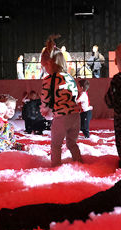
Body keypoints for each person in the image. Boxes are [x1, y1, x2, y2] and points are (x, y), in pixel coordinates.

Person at [40, 35, 82, 167]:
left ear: (49, 63)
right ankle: (79, 162)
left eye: (44, 66)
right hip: (75, 116)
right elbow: (74, 94)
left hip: (61, 117)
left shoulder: (48, 79)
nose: (45, 69)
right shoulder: (69, 77)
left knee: (56, 145)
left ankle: (55, 167)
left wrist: (45, 110)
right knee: (71, 143)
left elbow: (45, 98)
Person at [0, 94, 30, 160]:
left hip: (5, 153)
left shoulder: (9, 126)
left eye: (13, 108)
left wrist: (21, 147)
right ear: (0, 107)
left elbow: (11, 143)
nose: (12, 111)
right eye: (9, 108)